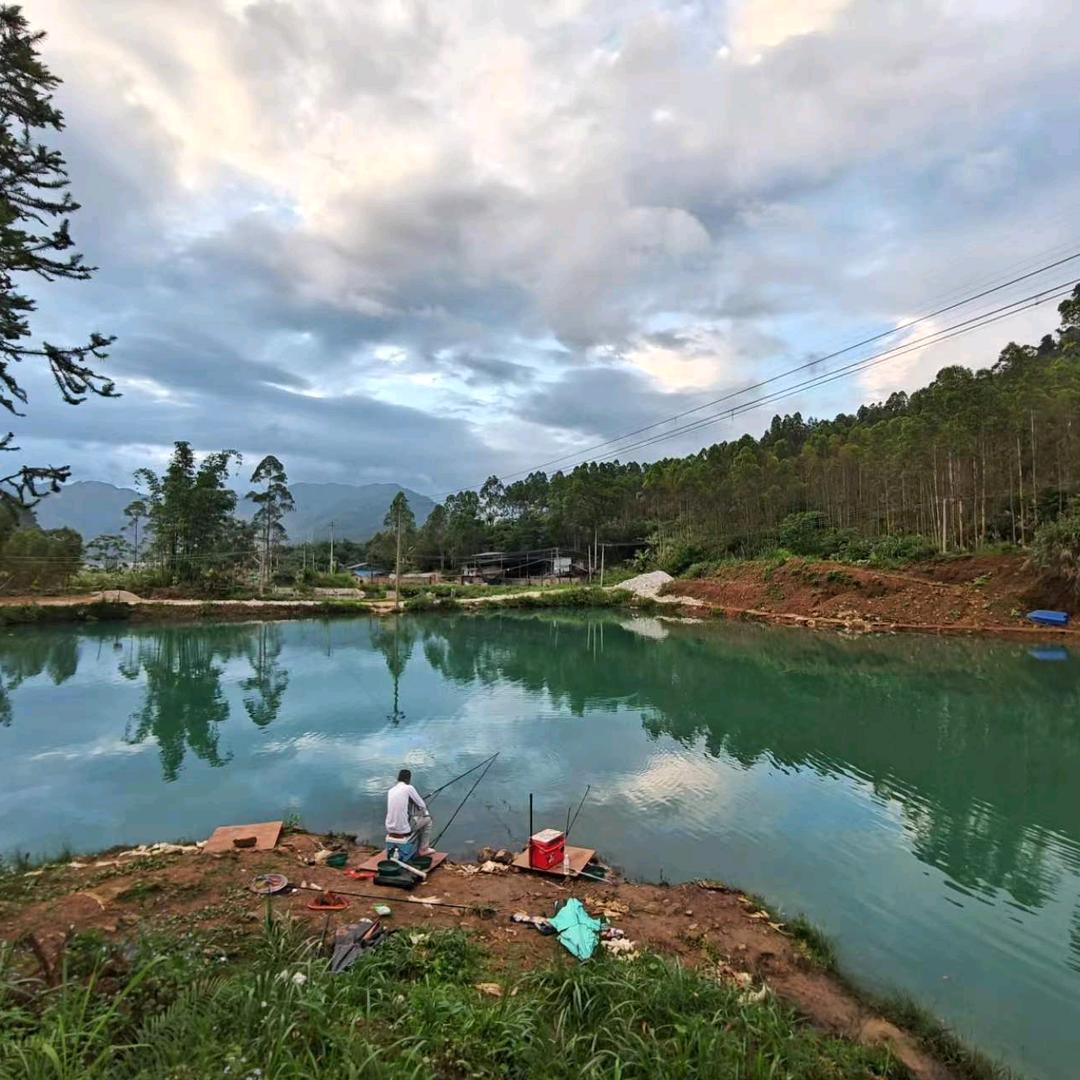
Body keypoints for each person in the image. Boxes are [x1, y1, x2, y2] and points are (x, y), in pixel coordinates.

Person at [385, 768, 435, 859]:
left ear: (398, 778)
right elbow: (422, 805)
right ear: (407, 779)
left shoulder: (391, 790)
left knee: (413, 820)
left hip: (389, 828)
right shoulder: (409, 788)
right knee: (428, 819)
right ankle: (423, 849)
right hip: (403, 830)